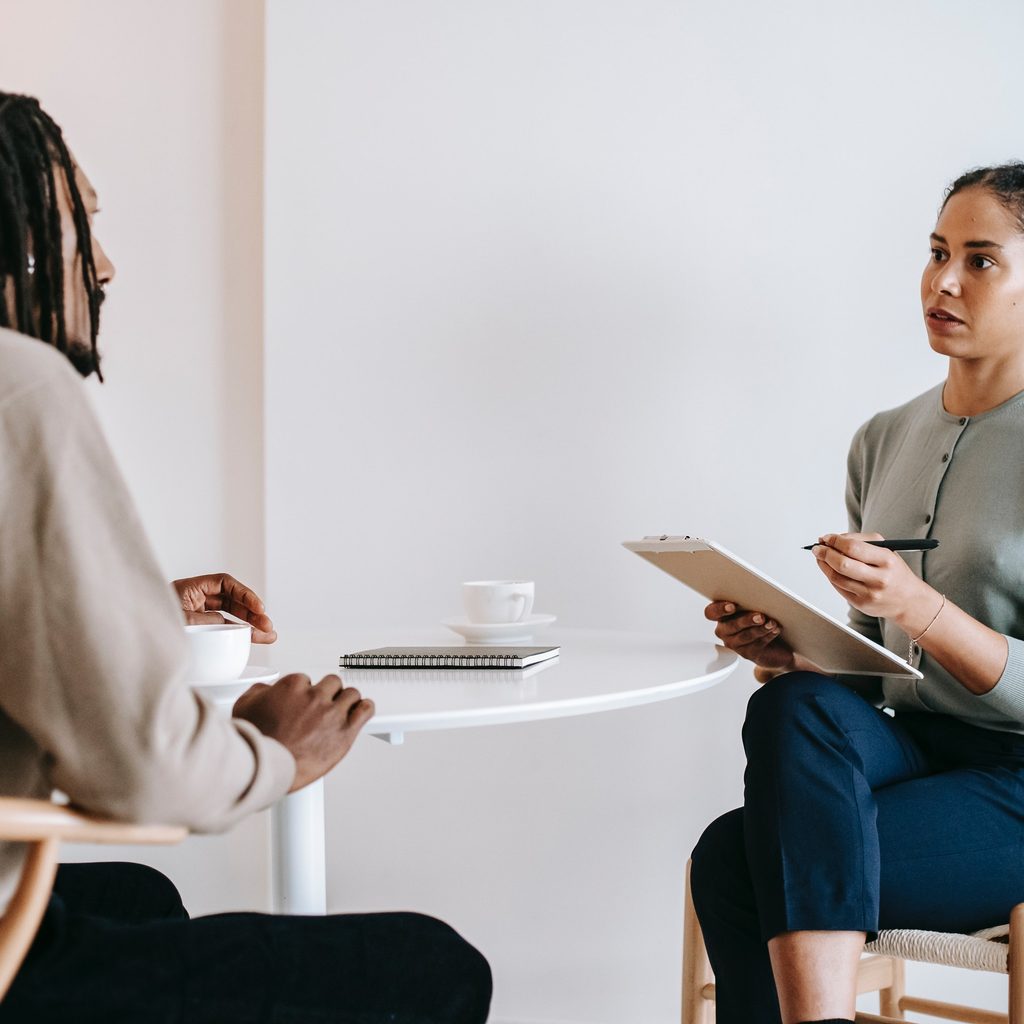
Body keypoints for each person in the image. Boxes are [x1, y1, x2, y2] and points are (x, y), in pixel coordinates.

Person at [0, 92, 491, 1023]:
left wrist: (129, 603)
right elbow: (145, 773)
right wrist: (267, 753)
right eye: (80, 223)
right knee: (432, 967)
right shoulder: (19, 385)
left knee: (141, 901)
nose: (104, 265)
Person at [690, 161, 1024, 1024]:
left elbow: (922, 624)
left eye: (981, 260)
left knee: (733, 861)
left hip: (1018, 785)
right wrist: (790, 653)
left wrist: (921, 606)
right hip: (914, 745)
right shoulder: (883, 439)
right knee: (794, 703)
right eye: (937, 251)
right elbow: (877, 683)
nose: (943, 281)